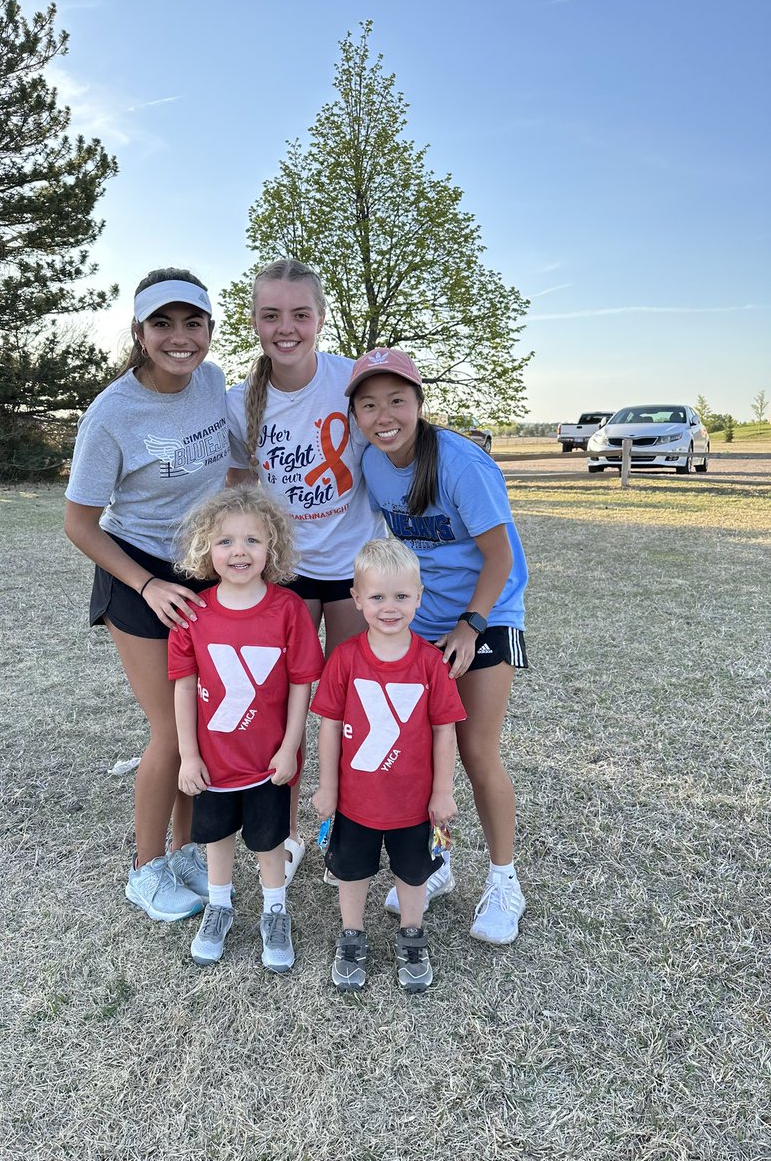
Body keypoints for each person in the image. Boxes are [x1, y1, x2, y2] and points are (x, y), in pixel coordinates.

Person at [345, 347, 530, 946]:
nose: (383, 416)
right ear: (356, 414)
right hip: (423, 619)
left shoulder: (460, 462)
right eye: (368, 405)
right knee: (421, 751)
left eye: (396, 401)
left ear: (419, 403)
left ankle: (504, 881)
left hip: (486, 614)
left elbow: (500, 558)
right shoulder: (373, 463)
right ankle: (437, 860)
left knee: (475, 749)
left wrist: (470, 625)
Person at [64, 268, 230, 923]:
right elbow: (79, 523)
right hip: (138, 572)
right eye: (163, 323)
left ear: (210, 330)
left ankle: (185, 851)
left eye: (193, 323)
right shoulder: (112, 414)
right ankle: (145, 868)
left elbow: (232, 468)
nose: (179, 337)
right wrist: (147, 583)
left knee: (205, 726)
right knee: (171, 730)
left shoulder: (213, 383)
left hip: (203, 571)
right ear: (139, 332)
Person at [226, 258, 385, 883]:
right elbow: (239, 491)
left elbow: (397, 443)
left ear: (320, 317)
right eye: (271, 315)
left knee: (348, 705)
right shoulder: (240, 403)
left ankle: (345, 825)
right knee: (277, 709)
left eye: (299, 314)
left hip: (349, 571)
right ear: (254, 321)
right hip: (284, 575)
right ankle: (285, 835)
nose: (285, 327)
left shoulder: (352, 381)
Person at [170, 487, 324, 971]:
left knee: (268, 840)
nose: (239, 551)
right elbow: (183, 686)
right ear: (206, 549)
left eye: (252, 540)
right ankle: (219, 906)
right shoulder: (194, 612)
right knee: (216, 835)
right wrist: (189, 755)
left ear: (272, 547)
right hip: (214, 759)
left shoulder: (288, 609)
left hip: (267, 759)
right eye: (225, 541)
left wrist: (290, 746)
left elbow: (301, 683)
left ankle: (275, 910)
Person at [310, 538, 465, 992]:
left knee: (412, 873)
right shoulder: (345, 658)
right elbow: (329, 727)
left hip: (414, 803)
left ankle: (412, 936)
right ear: (357, 599)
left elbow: (444, 731)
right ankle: (351, 935)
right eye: (377, 596)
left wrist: (442, 791)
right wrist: (327, 786)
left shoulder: (431, 664)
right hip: (355, 800)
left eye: (401, 596)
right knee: (350, 870)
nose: (389, 607)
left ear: (419, 597)